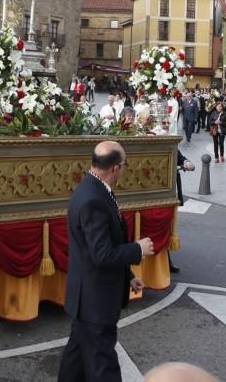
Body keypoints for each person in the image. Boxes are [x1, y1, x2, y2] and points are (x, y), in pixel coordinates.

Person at [57, 141, 153, 382]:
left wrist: (128, 276)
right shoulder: (93, 199)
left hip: (86, 297)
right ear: (115, 168)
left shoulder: (92, 189)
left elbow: (97, 247)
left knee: (77, 357)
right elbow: (102, 254)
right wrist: (137, 249)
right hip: (95, 300)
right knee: (103, 365)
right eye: (124, 165)